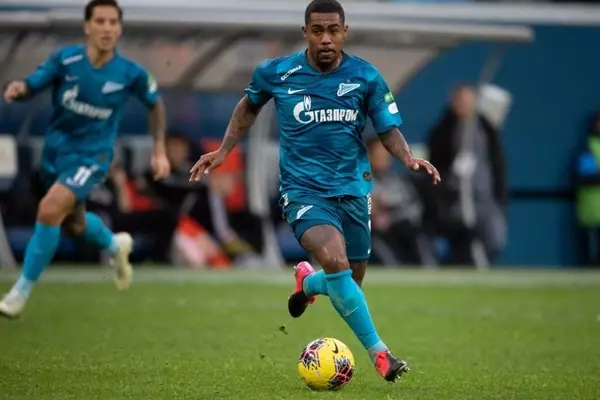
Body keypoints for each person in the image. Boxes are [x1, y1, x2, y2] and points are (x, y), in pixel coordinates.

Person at [189, 0, 440, 382]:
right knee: (337, 263)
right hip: (303, 190)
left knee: (351, 280)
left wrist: (407, 158)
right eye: (318, 30)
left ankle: (308, 283)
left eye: (333, 31)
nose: (325, 38)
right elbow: (248, 106)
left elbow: (387, 128)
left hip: (353, 188)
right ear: (305, 32)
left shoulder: (366, 76)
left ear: (344, 33)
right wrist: (224, 150)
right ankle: (381, 355)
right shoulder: (278, 72)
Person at [0, 0, 170, 319]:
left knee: (50, 208)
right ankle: (114, 245)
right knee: (74, 224)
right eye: (100, 21)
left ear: (119, 28)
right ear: (87, 26)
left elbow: (155, 104)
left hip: (93, 156)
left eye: (113, 22)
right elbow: (32, 85)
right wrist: (18, 88)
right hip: (56, 155)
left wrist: (159, 149)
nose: (107, 28)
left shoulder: (130, 72)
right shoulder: (66, 60)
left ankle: (19, 292)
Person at [427, 85, 507, 265]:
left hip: (486, 198)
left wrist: (500, 195)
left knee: (495, 240)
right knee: (466, 242)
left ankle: (482, 264)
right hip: (457, 200)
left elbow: (498, 163)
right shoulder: (443, 131)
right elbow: (435, 164)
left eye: (468, 101)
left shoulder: (486, 128)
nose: (464, 106)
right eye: (460, 101)